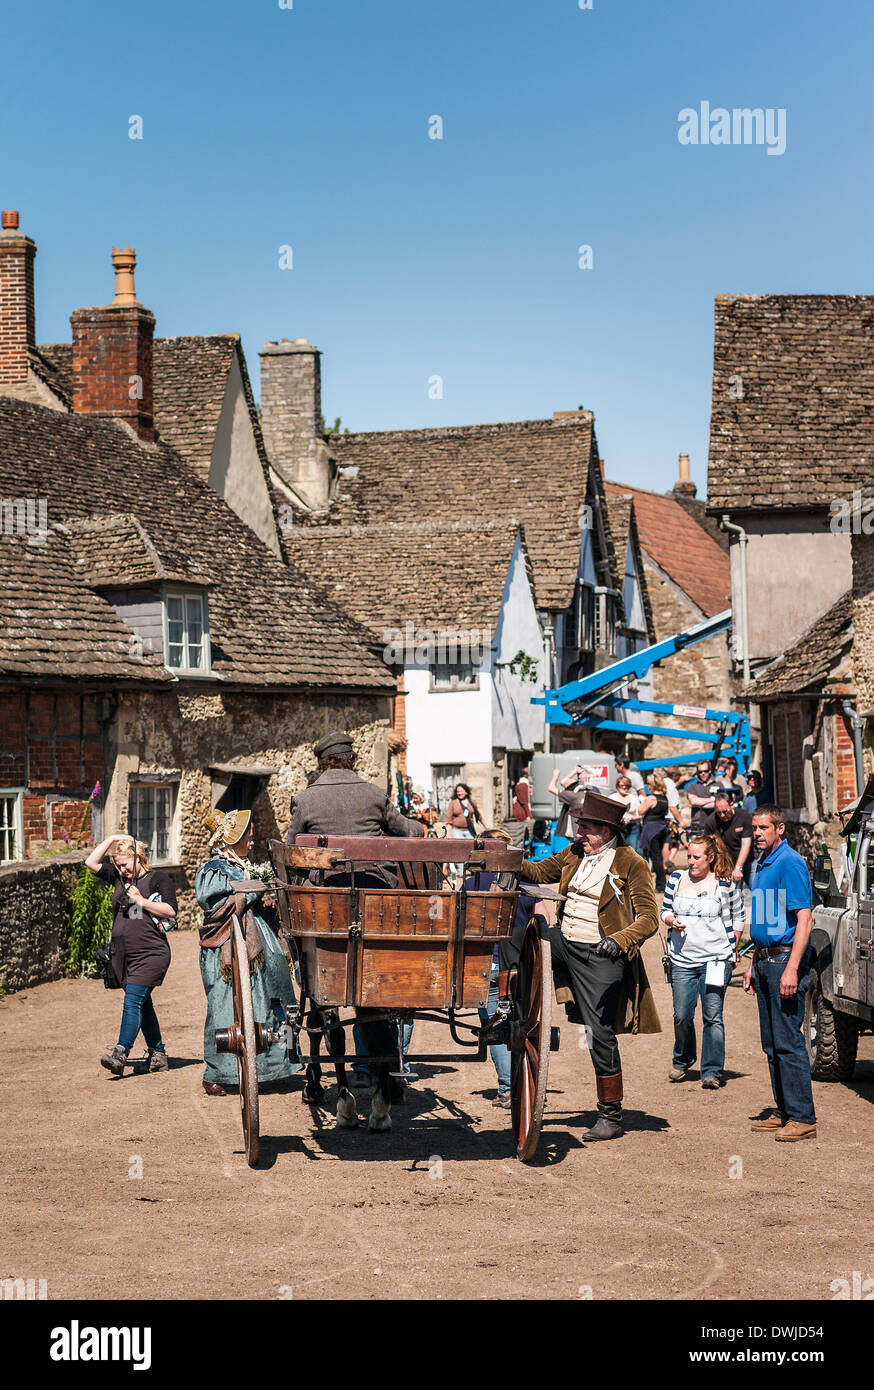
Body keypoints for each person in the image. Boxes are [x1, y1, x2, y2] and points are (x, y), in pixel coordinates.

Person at [286, 729, 424, 1113]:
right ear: (351, 759)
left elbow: (289, 849)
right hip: (378, 905)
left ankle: (334, 1078)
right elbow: (405, 831)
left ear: (322, 761)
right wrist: (419, 829)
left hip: (329, 908)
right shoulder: (374, 794)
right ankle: (384, 1088)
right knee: (375, 997)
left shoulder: (307, 799)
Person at [521, 789, 661, 1141]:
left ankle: (611, 1116)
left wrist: (617, 941)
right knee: (520, 940)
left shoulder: (631, 863)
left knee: (600, 1033)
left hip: (601, 953)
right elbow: (537, 872)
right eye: (578, 825)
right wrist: (504, 856)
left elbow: (648, 918)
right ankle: (508, 1003)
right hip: (565, 944)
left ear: (606, 830)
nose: (578, 833)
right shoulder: (574, 853)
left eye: (584, 827)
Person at [196, 808, 300, 1097]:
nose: (252, 842)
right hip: (226, 946)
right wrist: (254, 890)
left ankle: (278, 1065)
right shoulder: (214, 869)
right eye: (248, 837)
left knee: (276, 998)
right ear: (233, 839)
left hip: (257, 938)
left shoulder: (241, 864)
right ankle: (218, 1072)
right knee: (225, 1005)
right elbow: (215, 905)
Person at [743, 805, 817, 1141]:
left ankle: (803, 1117)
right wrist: (751, 964)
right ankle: (785, 1111)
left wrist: (791, 969)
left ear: (780, 829)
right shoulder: (763, 863)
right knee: (772, 1045)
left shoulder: (789, 862)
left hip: (784, 960)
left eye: (763, 828)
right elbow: (763, 919)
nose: (757, 834)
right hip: (764, 960)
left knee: (789, 1042)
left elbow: (805, 919)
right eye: (754, 828)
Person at [85, 833, 177, 1077]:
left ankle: (120, 1053)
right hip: (123, 956)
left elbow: (170, 910)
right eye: (118, 865)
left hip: (151, 954)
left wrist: (141, 900)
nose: (122, 869)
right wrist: (113, 837)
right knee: (142, 1003)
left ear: (138, 857)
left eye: (125, 864)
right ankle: (158, 1054)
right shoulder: (117, 877)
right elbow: (91, 862)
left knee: (133, 1001)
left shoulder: (158, 879)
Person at [661, 834, 744, 1088]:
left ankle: (711, 1071)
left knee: (713, 1016)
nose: (691, 861)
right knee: (681, 1015)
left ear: (710, 858)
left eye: (697, 857)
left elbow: (739, 916)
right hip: (682, 959)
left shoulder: (724, 884)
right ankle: (683, 1058)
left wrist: (733, 948)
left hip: (716, 960)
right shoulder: (676, 879)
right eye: (689, 856)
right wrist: (669, 920)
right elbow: (664, 910)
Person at [704, 792, 754, 884]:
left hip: (747, 861)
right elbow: (708, 846)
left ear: (732, 805)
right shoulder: (711, 821)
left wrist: (738, 868)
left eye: (725, 811)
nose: (722, 815)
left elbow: (746, 845)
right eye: (719, 812)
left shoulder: (744, 816)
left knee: (755, 890)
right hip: (725, 864)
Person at [637, 773, 670, 891]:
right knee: (658, 857)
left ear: (652, 785)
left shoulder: (651, 798)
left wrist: (643, 800)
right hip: (662, 827)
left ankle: (661, 885)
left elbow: (640, 811)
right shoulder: (664, 798)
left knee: (655, 857)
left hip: (652, 830)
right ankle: (661, 882)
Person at [445, 782, 485, 880]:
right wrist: (449, 833)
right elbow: (449, 820)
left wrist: (486, 827)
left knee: (472, 850)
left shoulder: (472, 802)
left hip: (469, 830)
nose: (459, 793)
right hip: (456, 830)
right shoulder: (453, 803)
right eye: (457, 791)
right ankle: (461, 871)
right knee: (459, 850)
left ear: (466, 792)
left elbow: (478, 816)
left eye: (461, 791)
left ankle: (472, 869)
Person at [684, 759, 722, 834]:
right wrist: (713, 799)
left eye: (705, 771)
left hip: (716, 824)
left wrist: (700, 803)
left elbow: (720, 803)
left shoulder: (719, 785)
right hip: (697, 825)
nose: (703, 774)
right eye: (700, 772)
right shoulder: (692, 786)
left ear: (710, 771)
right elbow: (693, 802)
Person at [611, 774, 641, 852]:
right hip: (618, 828)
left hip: (633, 827)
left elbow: (640, 815)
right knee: (620, 850)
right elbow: (607, 815)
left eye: (627, 785)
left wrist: (632, 818)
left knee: (632, 850)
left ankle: (631, 864)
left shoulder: (634, 798)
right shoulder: (611, 798)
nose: (624, 787)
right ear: (617, 786)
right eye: (622, 785)